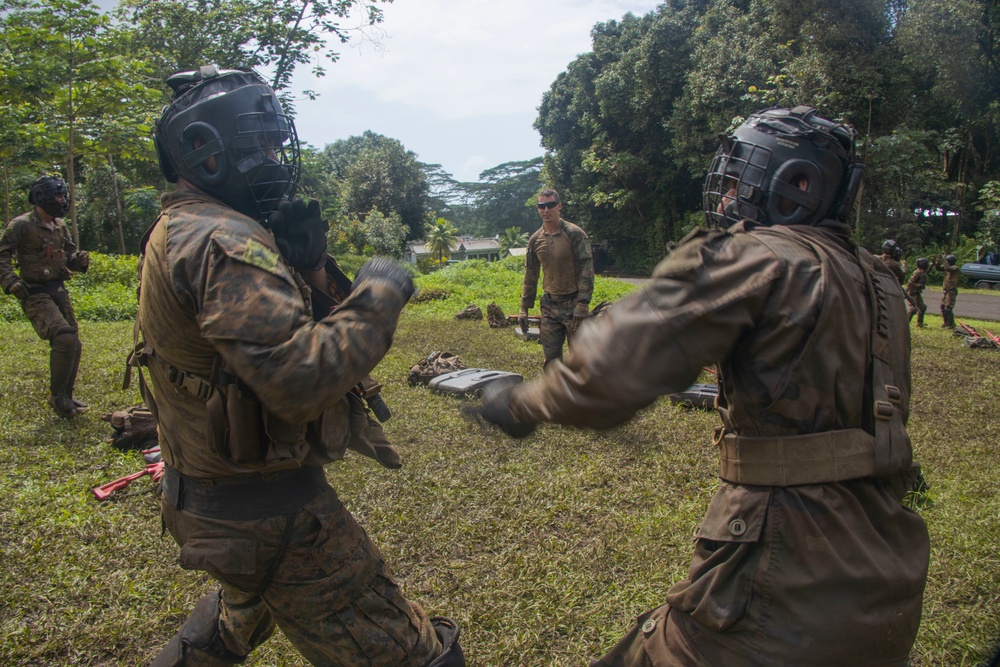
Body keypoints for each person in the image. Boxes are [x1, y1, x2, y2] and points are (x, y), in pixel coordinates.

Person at [475, 106, 929, 666]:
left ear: (797, 184)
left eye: (742, 176)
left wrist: (521, 404)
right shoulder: (879, 280)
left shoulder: (760, 256)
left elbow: (621, 364)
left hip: (782, 574)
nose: (728, 194)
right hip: (889, 567)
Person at [137, 65, 462, 667]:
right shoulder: (224, 242)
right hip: (270, 515)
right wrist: (382, 291)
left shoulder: (182, 225)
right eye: (256, 143)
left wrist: (312, 264)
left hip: (212, 499)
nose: (273, 155)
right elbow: (299, 382)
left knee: (238, 616)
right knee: (410, 655)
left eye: (274, 140)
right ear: (206, 150)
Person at [0, 175, 89, 418]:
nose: (62, 200)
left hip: (57, 288)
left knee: (74, 343)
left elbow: (69, 254)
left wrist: (78, 260)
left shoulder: (60, 225)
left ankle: (66, 395)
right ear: (42, 198)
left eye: (63, 196)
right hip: (34, 290)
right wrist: (10, 281)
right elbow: (2, 255)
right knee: (65, 338)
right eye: (57, 196)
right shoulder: (21, 225)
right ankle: (58, 397)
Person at [519, 188, 594, 366]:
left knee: (580, 360)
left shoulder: (575, 234)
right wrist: (524, 306)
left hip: (574, 303)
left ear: (559, 206)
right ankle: (556, 393)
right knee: (551, 359)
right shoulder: (535, 240)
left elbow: (586, 268)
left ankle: (581, 393)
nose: (546, 210)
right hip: (549, 306)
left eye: (550, 205)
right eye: (541, 206)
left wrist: (583, 303)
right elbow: (531, 274)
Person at [906, 257, 930, 327]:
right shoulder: (917, 273)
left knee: (922, 307)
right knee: (913, 309)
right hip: (912, 292)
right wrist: (919, 285)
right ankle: (906, 324)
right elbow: (910, 282)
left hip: (917, 292)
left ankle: (919, 323)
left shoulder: (922, 272)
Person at [940, 253, 960, 328]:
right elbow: (939, 268)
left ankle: (951, 324)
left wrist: (944, 261)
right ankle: (945, 322)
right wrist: (937, 262)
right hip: (946, 289)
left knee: (948, 308)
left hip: (952, 290)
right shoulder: (947, 267)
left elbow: (948, 268)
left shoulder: (955, 267)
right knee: (942, 306)